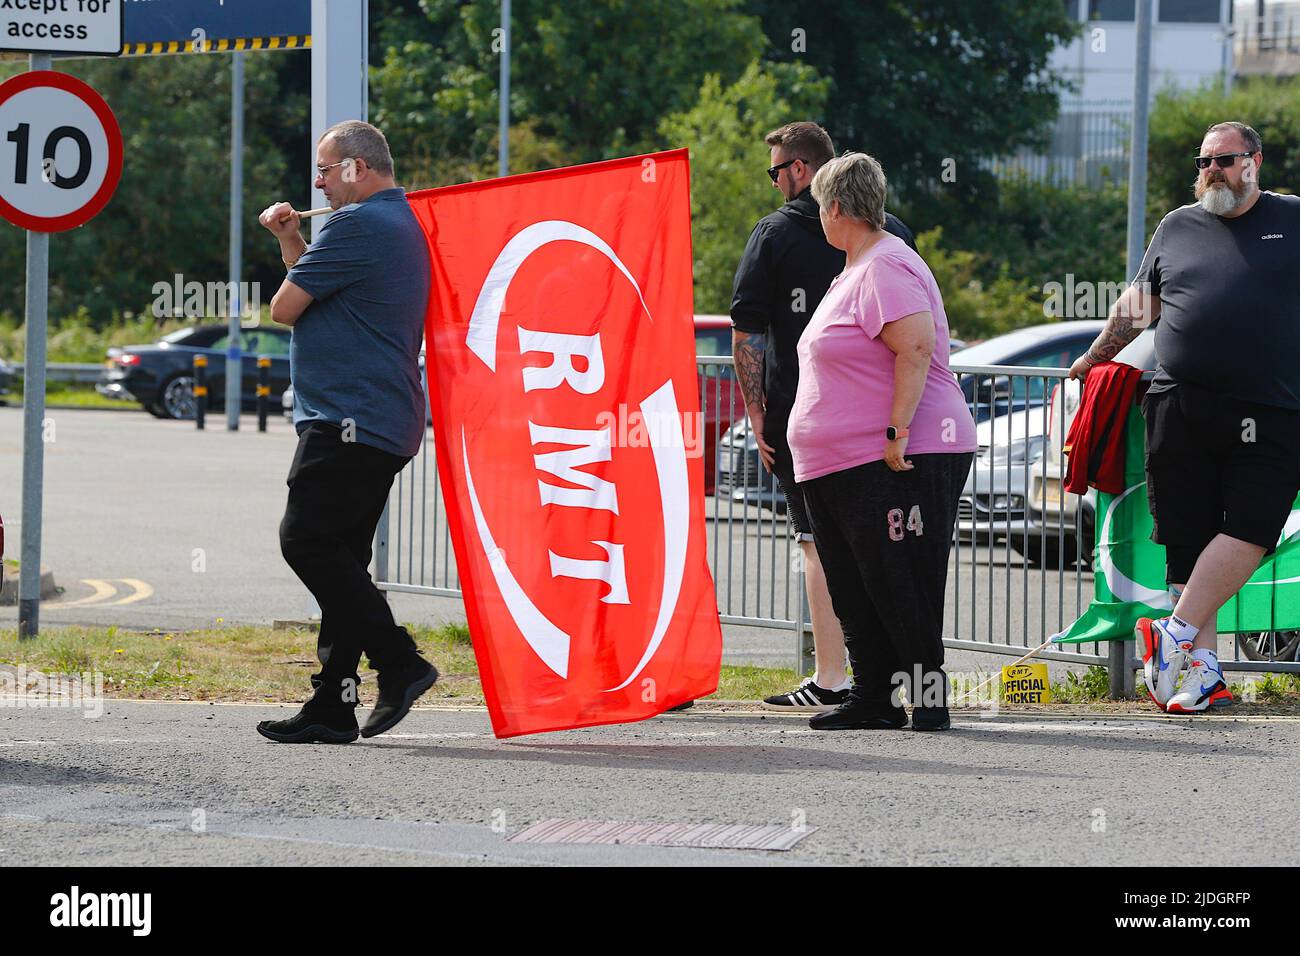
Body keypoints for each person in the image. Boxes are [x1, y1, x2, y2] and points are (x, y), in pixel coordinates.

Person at [1069, 121, 1300, 714]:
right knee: (1187, 541)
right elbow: (1137, 306)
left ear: (1255, 162)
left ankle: (1170, 634)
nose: (1211, 171)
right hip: (1177, 404)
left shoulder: (1292, 219)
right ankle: (1200, 676)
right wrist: (1094, 357)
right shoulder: (1178, 224)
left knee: (1253, 528)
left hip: (1270, 409)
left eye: (1224, 160)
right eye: (1203, 162)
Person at [254, 120, 438, 743]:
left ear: (359, 167)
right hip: (378, 418)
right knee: (344, 562)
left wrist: (295, 249)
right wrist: (292, 242)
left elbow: (285, 308)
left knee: (305, 541)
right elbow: (320, 291)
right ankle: (334, 704)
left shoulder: (358, 225)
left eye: (326, 170)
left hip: (348, 418)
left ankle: (401, 662)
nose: (319, 181)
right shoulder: (392, 223)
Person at [730, 121, 917, 712]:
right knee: (884, 547)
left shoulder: (775, 234)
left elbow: (748, 329)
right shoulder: (895, 235)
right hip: (882, 418)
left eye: (777, 169)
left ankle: (836, 675)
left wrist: (756, 412)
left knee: (818, 546)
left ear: (803, 170)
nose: (776, 181)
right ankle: (894, 680)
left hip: (806, 417)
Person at [788, 152, 976, 732]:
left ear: (838, 206)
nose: (819, 217)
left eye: (821, 206)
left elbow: (915, 348)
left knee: (898, 576)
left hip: (892, 454)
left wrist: (897, 432)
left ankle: (924, 698)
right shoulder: (856, 268)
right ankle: (877, 695)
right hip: (841, 461)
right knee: (856, 579)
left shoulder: (885, 266)